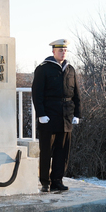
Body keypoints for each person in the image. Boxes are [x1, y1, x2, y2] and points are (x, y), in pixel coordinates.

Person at [31, 39, 81, 193]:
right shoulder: (43, 69)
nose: (63, 52)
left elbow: (76, 94)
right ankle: (45, 182)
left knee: (62, 151)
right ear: (53, 51)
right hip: (49, 116)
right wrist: (41, 114)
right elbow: (37, 94)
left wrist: (77, 114)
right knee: (46, 151)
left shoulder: (70, 69)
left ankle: (57, 181)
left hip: (66, 116)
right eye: (60, 50)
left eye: (65, 50)